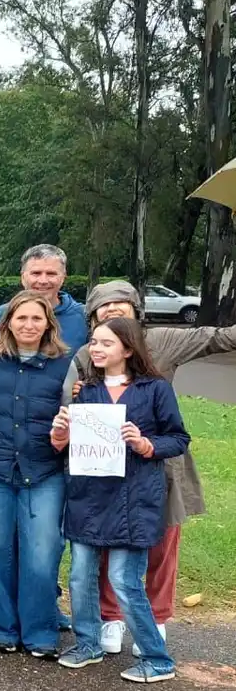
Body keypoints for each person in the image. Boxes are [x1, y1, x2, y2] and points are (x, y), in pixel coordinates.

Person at [73, 280, 236, 655]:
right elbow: (76, 399)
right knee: (106, 542)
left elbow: (217, 338)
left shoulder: (163, 340)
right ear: (93, 315)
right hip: (109, 466)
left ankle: (156, 619)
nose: (113, 310)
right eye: (104, 306)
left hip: (162, 464)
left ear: (136, 309)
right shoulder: (88, 353)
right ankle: (110, 617)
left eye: (121, 304)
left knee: (163, 543)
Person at [52, 317, 188, 683]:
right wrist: (61, 435)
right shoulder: (86, 392)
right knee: (80, 577)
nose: (95, 349)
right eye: (94, 342)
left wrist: (147, 445)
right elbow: (67, 448)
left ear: (127, 349)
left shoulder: (155, 390)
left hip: (134, 499)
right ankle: (87, 644)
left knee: (124, 580)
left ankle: (158, 659)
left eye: (105, 343)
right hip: (88, 496)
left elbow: (178, 438)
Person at [0, 291, 74, 657]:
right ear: (8, 322)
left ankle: (41, 630)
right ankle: (3, 626)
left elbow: (72, 416)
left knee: (42, 551)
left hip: (44, 469)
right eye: (21, 318)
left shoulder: (65, 365)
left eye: (36, 319)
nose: (28, 325)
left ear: (48, 324)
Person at [0, 244, 88, 352]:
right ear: (23, 277)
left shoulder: (84, 317)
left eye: (51, 274)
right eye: (36, 273)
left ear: (63, 278)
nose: (43, 281)